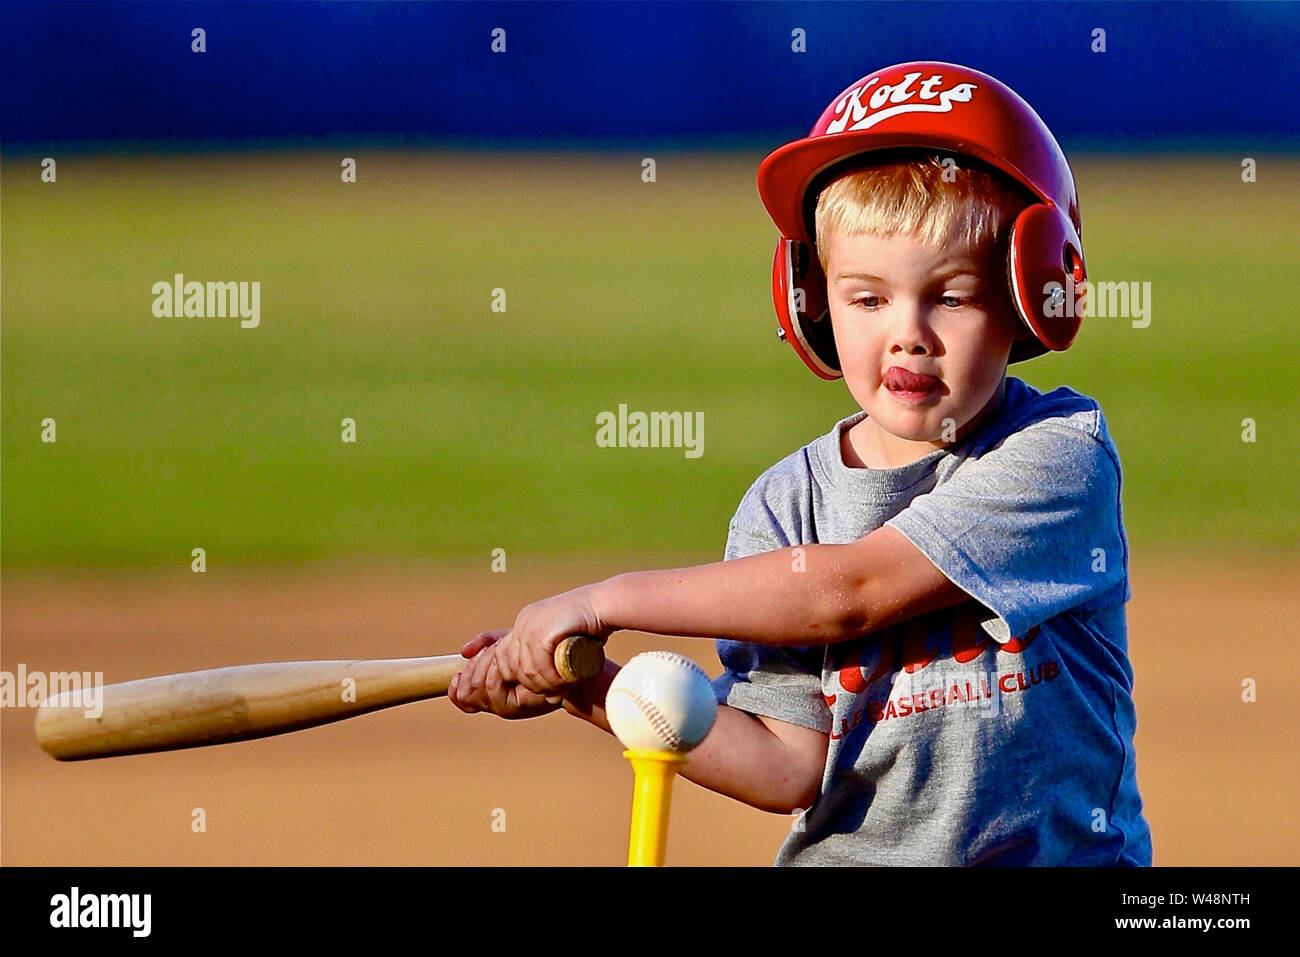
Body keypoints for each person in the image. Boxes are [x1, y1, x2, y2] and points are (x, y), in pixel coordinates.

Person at [450, 61, 1152, 866]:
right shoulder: (785, 504)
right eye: (868, 298)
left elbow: (848, 593)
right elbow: (787, 765)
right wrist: (589, 686)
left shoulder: (1057, 453)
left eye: (951, 297)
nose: (908, 332)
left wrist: (606, 599)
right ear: (809, 297)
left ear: (1034, 293)